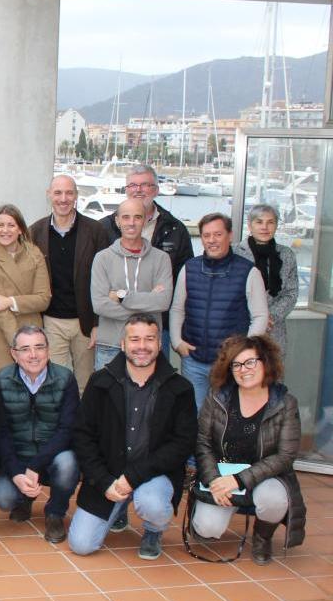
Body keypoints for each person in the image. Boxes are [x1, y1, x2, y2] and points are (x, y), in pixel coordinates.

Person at [69, 314, 198, 560]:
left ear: (159, 344)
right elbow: (83, 436)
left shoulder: (180, 388)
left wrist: (133, 477)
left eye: (149, 339)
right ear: (123, 344)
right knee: (81, 545)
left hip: (153, 475)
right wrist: (104, 481)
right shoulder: (100, 382)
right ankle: (118, 508)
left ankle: (153, 530)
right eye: (134, 339)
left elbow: (182, 444)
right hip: (108, 477)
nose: (142, 346)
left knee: (153, 504)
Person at [192, 335, 305, 564]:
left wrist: (239, 480)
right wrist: (215, 481)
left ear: (266, 362)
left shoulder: (285, 403)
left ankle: (263, 536)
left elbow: (285, 456)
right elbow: (202, 443)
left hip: (266, 476)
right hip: (223, 476)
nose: (244, 370)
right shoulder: (217, 398)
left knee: (274, 501)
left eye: (250, 362)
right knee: (207, 530)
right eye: (237, 365)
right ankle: (219, 509)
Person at [171, 213, 269, 408]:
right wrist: (177, 341)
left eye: (217, 234)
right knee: (194, 416)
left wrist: (244, 352)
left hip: (230, 364)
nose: (212, 240)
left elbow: (260, 316)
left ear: (230, 235)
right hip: (194, 362)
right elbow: (177, 309)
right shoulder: (189, 268)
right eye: (206, 235)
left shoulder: (248, 271)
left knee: (228, 416)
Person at [0, 326, 79, 544]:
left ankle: (55, 513)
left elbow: (67, 430)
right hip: (18, 458)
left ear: (48, 350)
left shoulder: (65, 378)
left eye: (39, 347)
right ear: (14, 353)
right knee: (4, 499)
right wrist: (16, 472)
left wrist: (36, 465)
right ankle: (24, 499)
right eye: (25, 349)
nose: (33, 355)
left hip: (53, 458)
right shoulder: (2, 380)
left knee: (69, 463)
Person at [101, 164, 193, 352]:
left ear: (156, 190)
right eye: (133, 185)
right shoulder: (105, 228)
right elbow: (98, 290)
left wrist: (122, 296)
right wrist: (149, 300)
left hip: (158, 327)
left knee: (155, 380)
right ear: (126, 190)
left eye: (145, 185)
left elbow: (184, 282)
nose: (138, 190)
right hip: (113, 327)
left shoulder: (175, 229)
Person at [30, 174, 108, 392]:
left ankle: (81, 427)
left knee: (85, 385)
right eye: (58, 193)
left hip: (85, 322)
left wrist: (97, 323)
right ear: (49, 196)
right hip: (51, 321)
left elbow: (105, 280)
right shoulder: (35, 232)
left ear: (76, 196)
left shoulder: (95, 231)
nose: (63, 198)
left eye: (68, 193)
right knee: (57, 385)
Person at [90, 199, 173, 371]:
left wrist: (121, 296)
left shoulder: (161, 259)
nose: (131, 223)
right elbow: (100, 305)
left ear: (145, 220)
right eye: (126, 217)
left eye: (137, 217)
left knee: (147, 398)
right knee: (108, 397)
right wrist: (148, 304)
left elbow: (163, 302)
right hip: (110, 344)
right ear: (117, 221)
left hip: (147, 346)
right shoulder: (102, 258)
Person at [0, 204, 51, 378]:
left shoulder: (34, 253)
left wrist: (10, 301)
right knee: (3, 388)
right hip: (4, 335)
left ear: (20, 229)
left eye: (11, 225)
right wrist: (19, 344)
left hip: (33, 332)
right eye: (0, 225)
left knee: (35, 388)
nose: (5, 230)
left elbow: (43, 299)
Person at [234, 203, 299, 352]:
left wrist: (269, 317)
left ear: (276, 226)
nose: (265, 227)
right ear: (250, 225)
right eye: (259, 222)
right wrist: (257, 317)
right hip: (241, 328)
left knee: (272, 374)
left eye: (270, 222)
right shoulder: (235, 252)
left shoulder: (286, 254)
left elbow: (291, 293)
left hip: (273, 331)